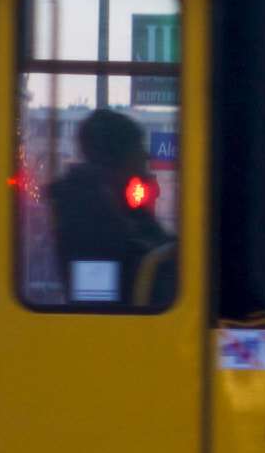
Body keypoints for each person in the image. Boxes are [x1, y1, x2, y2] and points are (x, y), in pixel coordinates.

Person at [47, 108, 172, 306]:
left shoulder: (118, 203)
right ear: (119, 158)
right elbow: (99, 303)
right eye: (138, 147)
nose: (146, 155)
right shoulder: (89, 218)